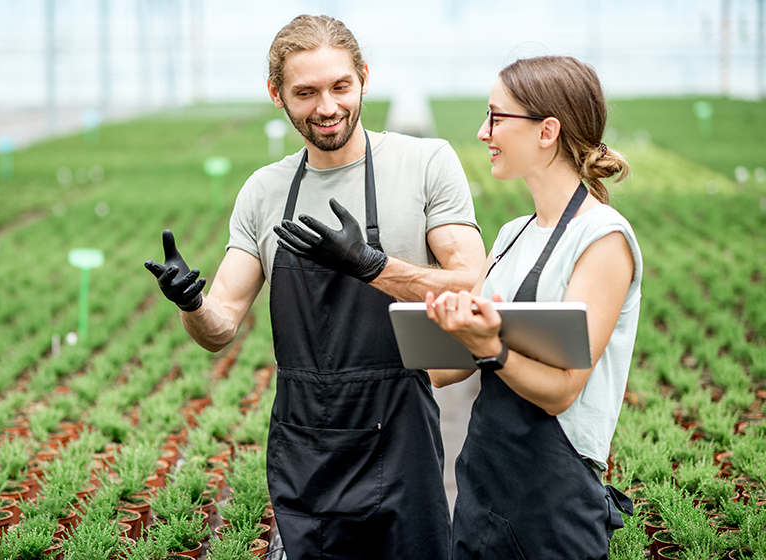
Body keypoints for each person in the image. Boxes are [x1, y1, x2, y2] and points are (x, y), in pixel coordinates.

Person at [144, 14, 486, 560]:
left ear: (364, 78)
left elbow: (471, 282)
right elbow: (220, 326)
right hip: (306, 434)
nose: (326, 107)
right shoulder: (265, 190)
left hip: (400, 430)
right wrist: (192, 304)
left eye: (339, 87)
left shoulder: (424, 163)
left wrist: (373, 265)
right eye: (306, 92)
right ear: (277, 95)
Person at [424, 56, 641, 559]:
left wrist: (492, 346)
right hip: (481, 486)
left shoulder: (602, 237)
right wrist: (448, 322)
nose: (484, 132)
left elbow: (563, 391)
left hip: (553, 504)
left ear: (547, 131)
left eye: (497, 117)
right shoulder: (511, 234)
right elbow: (442, 370)